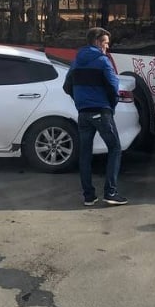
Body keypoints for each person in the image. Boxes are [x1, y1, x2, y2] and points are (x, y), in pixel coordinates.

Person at [64, 27, 128, 206]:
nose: (107, 47)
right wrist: (110, 106)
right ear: (98, 43)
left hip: (83, 114)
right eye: (106, 43)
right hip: (101, 111)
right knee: (115, 148)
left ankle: (89, 196)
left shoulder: (76, 62)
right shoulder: (103, 61)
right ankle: (111, 192)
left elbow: (67, 86)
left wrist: (81, 102)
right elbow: (113, 87)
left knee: (85, 153)